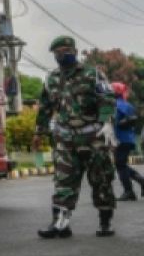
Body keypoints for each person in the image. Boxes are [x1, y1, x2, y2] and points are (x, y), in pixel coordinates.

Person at [32, 36, 117, 238]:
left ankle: (105, 222)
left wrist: (106, 122)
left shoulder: (93, 74)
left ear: (75, 51)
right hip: (65, 138)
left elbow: (107, 98)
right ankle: (60, 223)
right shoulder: (51, 78)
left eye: (65, 50)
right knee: (63, 180)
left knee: (101, 179)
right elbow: (45, 107)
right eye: (58, 52)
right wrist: (39, 132)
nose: (62, 54)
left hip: (93, 136)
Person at [111, 83, 144, 202]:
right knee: (121, 164)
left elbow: (129, 120)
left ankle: (130, 191)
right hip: (126, 138)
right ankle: (142, 182)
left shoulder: (118, 105)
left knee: (120, 164)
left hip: (122, 138)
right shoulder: (124, 104)